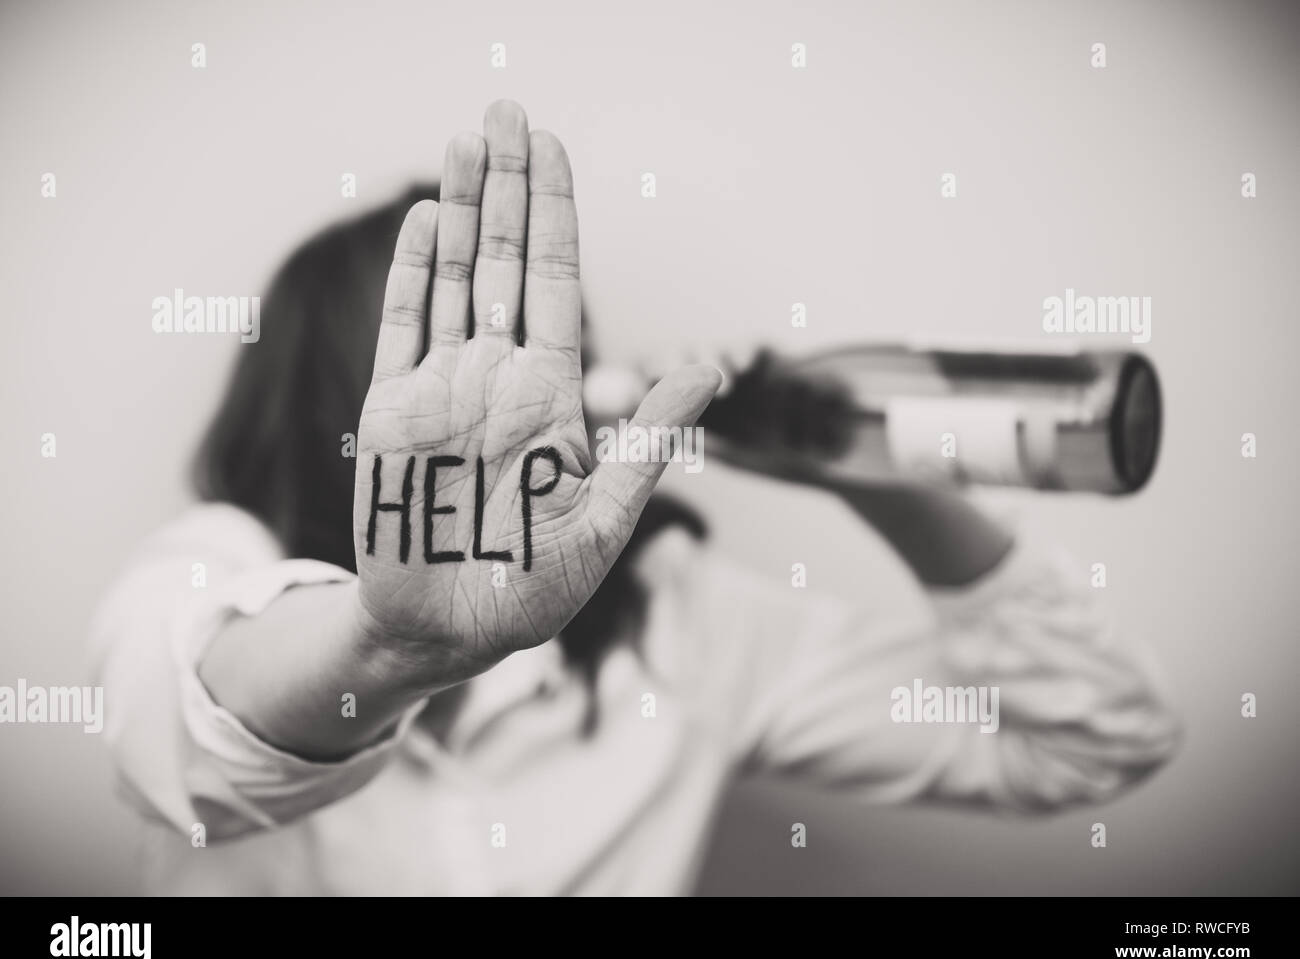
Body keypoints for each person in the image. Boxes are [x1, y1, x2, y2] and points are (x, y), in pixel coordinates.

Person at [89, 100, 1182, 895]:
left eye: (534, 361)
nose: (528, 407)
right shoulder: (210, 565)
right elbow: (181, 745)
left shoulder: (677, 621)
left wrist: (870, 471)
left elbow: (1093, 734)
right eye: (461, 361)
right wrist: (386, 645)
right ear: (344, 399)